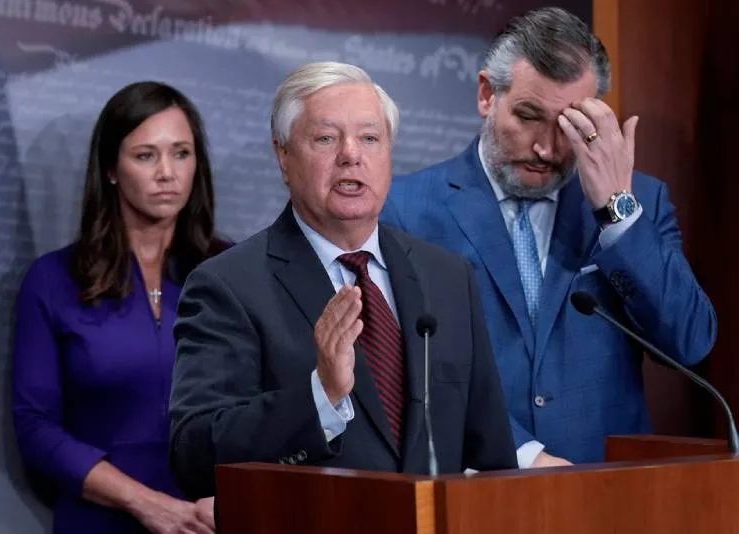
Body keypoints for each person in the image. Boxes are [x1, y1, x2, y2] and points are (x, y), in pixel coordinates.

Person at [380, 7, 717, 467]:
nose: (546, 148)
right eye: (528, 116)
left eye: (568, 125)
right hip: (479, 486)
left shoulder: (639, 203)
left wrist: (616, 212)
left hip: (609, 487)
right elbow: (404, 369)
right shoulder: (405, 209)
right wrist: (523, 454)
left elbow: (690, 342)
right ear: (487, 95)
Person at [169, 61, 517, 500]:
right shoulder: (228, 286)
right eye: (326, 139)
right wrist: (321, 396)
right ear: (283, 156)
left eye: (370, 138)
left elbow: (492, 460)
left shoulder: (448, 278)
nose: (351, 154)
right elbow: (195, 456)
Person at [12, 81, 229, 534]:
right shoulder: (53, 280)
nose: (167, 173)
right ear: (111, 168)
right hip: (99, 521)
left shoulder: (231, 274)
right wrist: (146, 504)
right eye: (146, 156)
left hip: (210, 521)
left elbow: (265, 411)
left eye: (181, 153)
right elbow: (35, 427)